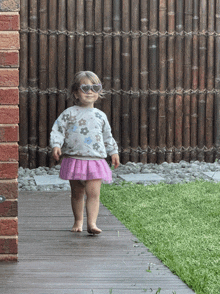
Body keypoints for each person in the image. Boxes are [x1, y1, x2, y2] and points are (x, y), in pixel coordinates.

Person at [50, 71, 120, 235]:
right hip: (74, 159)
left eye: (95, 87)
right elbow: (58, 130)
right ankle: (78, 221)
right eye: (85, 87)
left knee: (94, 194)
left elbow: (107, 136)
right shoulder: (69, 113)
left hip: (95, 160)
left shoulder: (100, 116)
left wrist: (113, 152)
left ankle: (92, 223)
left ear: (99, 92)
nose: (90, 91)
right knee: (77, 194)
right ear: (75, 92)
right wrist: (56, 145)